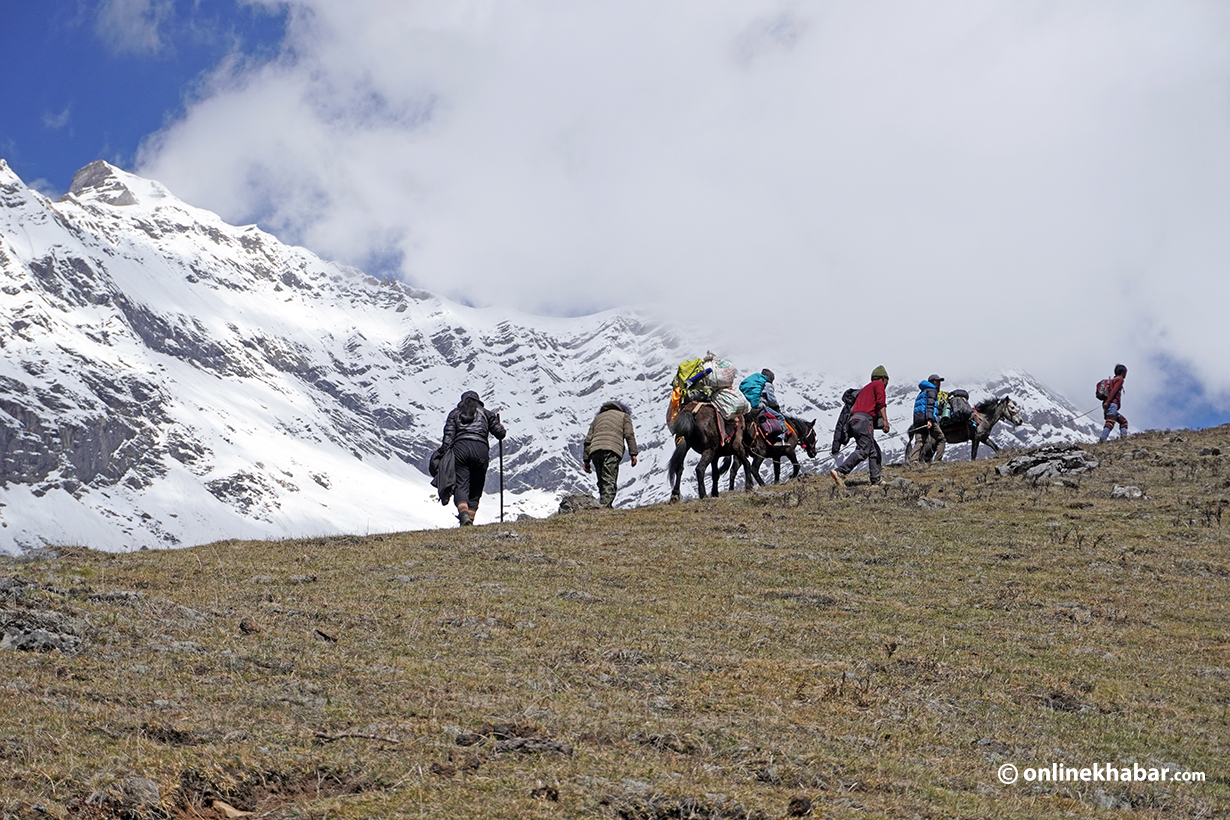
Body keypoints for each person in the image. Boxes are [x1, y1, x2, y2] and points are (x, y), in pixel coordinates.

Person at [441, 391, 506, 526]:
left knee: (461, 484)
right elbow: (500, 434)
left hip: (460, 449)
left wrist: (443, 455)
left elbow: (448, 437)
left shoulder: (454, 414)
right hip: (480, 450)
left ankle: (463, 514)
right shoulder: (487, 414)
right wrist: (501, 428)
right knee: (476, 486)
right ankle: (470, 519)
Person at [831, 366, 891, 487]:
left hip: (854, 421)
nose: (887, 384)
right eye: (887, 380)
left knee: (873, 449)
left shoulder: (865, 389)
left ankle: (876, 479)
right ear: (883, 378)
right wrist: (885, 420)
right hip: (864, 420)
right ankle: (840, 472)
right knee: (863, 450)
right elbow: (880, 403)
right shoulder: (878, 385)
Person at [582, 400, 639, 508]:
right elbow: (629, 435)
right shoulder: (624, 416)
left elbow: (588, 440)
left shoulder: (597, 418)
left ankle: (605, 506)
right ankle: (604, 507)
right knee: (609, 479)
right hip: (611, 450)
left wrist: (586, 460)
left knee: (601, 481)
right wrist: (633, 453)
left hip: (595, 450)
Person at [906, 374, 946, 466]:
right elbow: (930, 406)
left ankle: (913, 462)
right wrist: (929, 420)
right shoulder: (932, 391)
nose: (939, 383)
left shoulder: (922, 392)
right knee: (941, 439)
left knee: (919, 441)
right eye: (937, 381)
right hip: (927, 419)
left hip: (918, 420)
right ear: (932, 382)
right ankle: (937, 462)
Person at [739, 368, 786, 442]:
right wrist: (776, 407)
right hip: (758, 407)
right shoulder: (767, 384)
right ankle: (780, 439)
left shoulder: (753, 381)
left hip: (746, 408)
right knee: (781, 418)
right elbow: (771, 400)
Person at [1100, 364, 1129, 442]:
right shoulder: (1120, 379)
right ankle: (1102, 440)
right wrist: (1108, 401)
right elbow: (1114, 391)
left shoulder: (1113, 380)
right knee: (1110, 422)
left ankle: (1124, 439)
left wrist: (1106, 403)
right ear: (1123, 373)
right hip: (1112, 404)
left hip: (1108, 405)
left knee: (1123, 421)